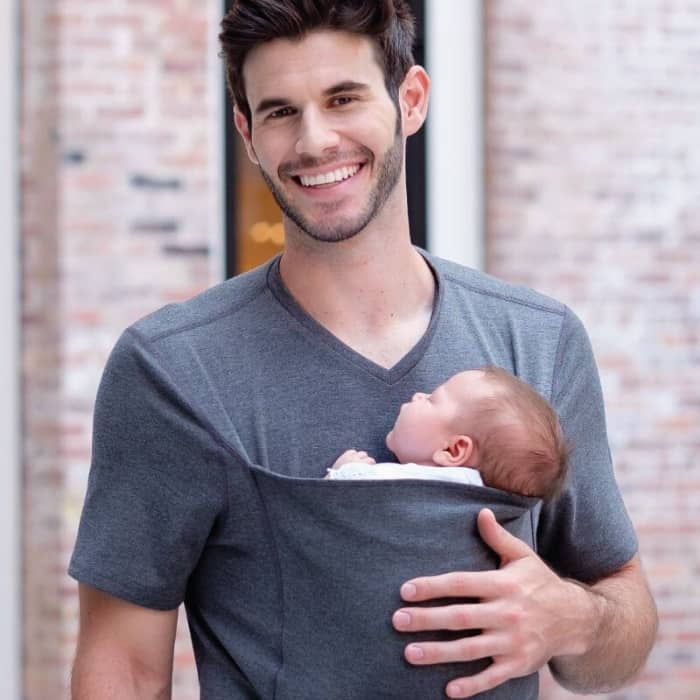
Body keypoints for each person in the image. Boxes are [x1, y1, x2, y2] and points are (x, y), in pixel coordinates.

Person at [69, 1, 658, 699]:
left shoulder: (540, 339)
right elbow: (125, 672)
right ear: (246, 133)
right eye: (281, 111)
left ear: (410, 100)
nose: (316, 140)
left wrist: (574, 621)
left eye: (343, 98)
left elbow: (625, 620)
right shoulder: (170, 370)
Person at [327, 367, 569, 501]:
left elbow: (346, 491)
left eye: (432, 400)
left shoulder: (416, 483)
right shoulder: (483, 497)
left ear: (453, 450)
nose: (418, 395)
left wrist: (345, 469)